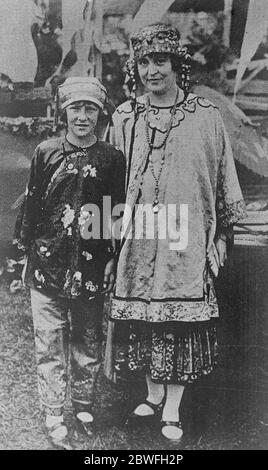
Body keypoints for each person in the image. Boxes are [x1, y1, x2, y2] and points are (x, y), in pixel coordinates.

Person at [107, 23, 246, 442]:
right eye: (145, 62)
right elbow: (113, 183)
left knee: (178, 322)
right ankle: (151, 395)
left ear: (176, 65)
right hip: (139, 236)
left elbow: (222, 180)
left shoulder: (205, 116)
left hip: (186, 238)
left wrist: (220, 237)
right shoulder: (124, 118)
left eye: (161, 61)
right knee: (145, 319)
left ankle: (172, 409)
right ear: (136, 67)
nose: (153, 71)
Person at [14, 77, 125, 449]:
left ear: (100, 112)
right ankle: (51, 410)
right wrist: (25, 251)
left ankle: (83, 405)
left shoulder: (111, 158)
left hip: (91, 264)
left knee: (88, 339)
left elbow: (114, 213)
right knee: (49, 340)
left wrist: (112, 257)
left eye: (90, 108)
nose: (82, 116)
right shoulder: (45, 152)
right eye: (75, 107)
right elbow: (32, 204)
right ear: (63, 112)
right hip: (48, 262)